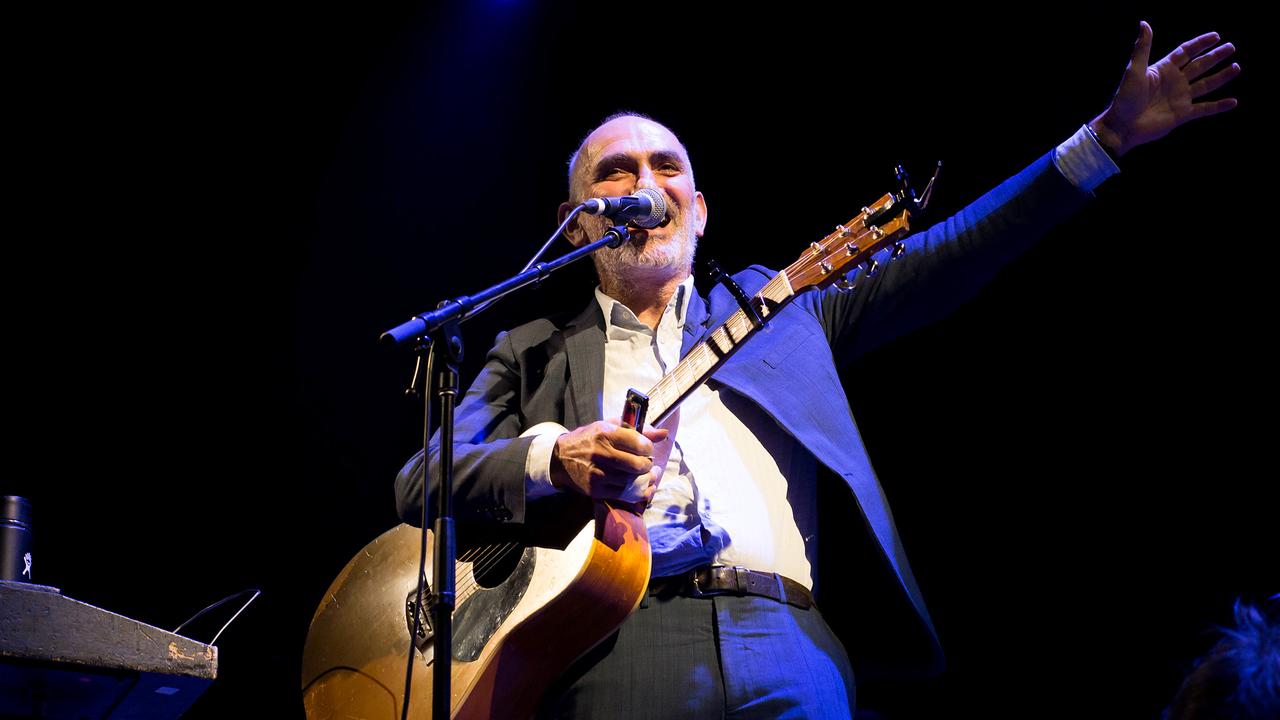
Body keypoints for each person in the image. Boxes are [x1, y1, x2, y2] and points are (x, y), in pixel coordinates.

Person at [396, 21, 1239, 718]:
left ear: (696, 210)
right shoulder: (532, 346)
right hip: (613, 647)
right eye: (614, 174)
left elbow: (951, 254)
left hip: (789, 640)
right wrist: (553, 457)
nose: (642, 184)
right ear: (577, 224)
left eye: (665, 170)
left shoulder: (780, 306)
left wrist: (1105, 140)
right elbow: (424, 481)